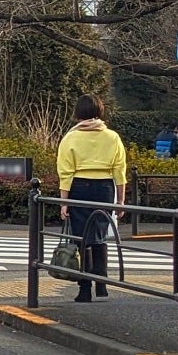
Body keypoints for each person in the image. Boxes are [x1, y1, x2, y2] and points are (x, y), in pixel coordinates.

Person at [56, 95, 129, 303]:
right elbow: (119, 170)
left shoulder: (70, 138)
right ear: (100, 111)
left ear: (78, 113)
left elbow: (65, 172)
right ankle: (102, 284)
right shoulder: (112, 137)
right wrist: (120, 200)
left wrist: (64, 202)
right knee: (99, 235)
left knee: (80, 238)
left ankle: (84, 288)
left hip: (79, 187)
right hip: (105, 187)